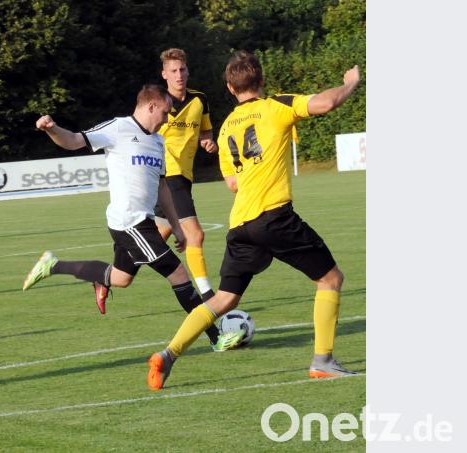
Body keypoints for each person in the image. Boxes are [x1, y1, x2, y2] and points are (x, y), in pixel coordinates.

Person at [147, 51, 361, 390]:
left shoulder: (227, 127)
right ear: (261, 80)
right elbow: (325, 103)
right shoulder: (277, 106)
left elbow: (233, 183)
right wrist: (350, 83)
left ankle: (169, 353)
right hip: (274, 217)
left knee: (225, 299)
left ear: (231, 88)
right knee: (330, 279)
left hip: (240, 224)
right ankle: (323, 361)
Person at [23, 84, 246, 353]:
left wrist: (176, 226)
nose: (166, 120)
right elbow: (73, 140)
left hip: (143, 221)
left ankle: (53, 265)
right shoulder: (117, 128)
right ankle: (215, 337)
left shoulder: (158, 141)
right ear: (150, 106)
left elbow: (163, 187)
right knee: (177, 273)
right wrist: (51, 129)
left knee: (119, 278)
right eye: (164, 113)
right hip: (129, 222)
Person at [152, 48, 223, 347]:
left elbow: (206, 134)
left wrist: (210, 144)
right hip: (165, 176)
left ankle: (108, 276)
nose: (179, 75)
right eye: (174, 70)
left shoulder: (200, 99)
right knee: (195, 235)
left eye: (183, 69)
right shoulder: (157, 101)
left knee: (154, 240)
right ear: (164, 74)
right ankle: (208, 296)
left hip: (185, 176)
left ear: (187, 71)